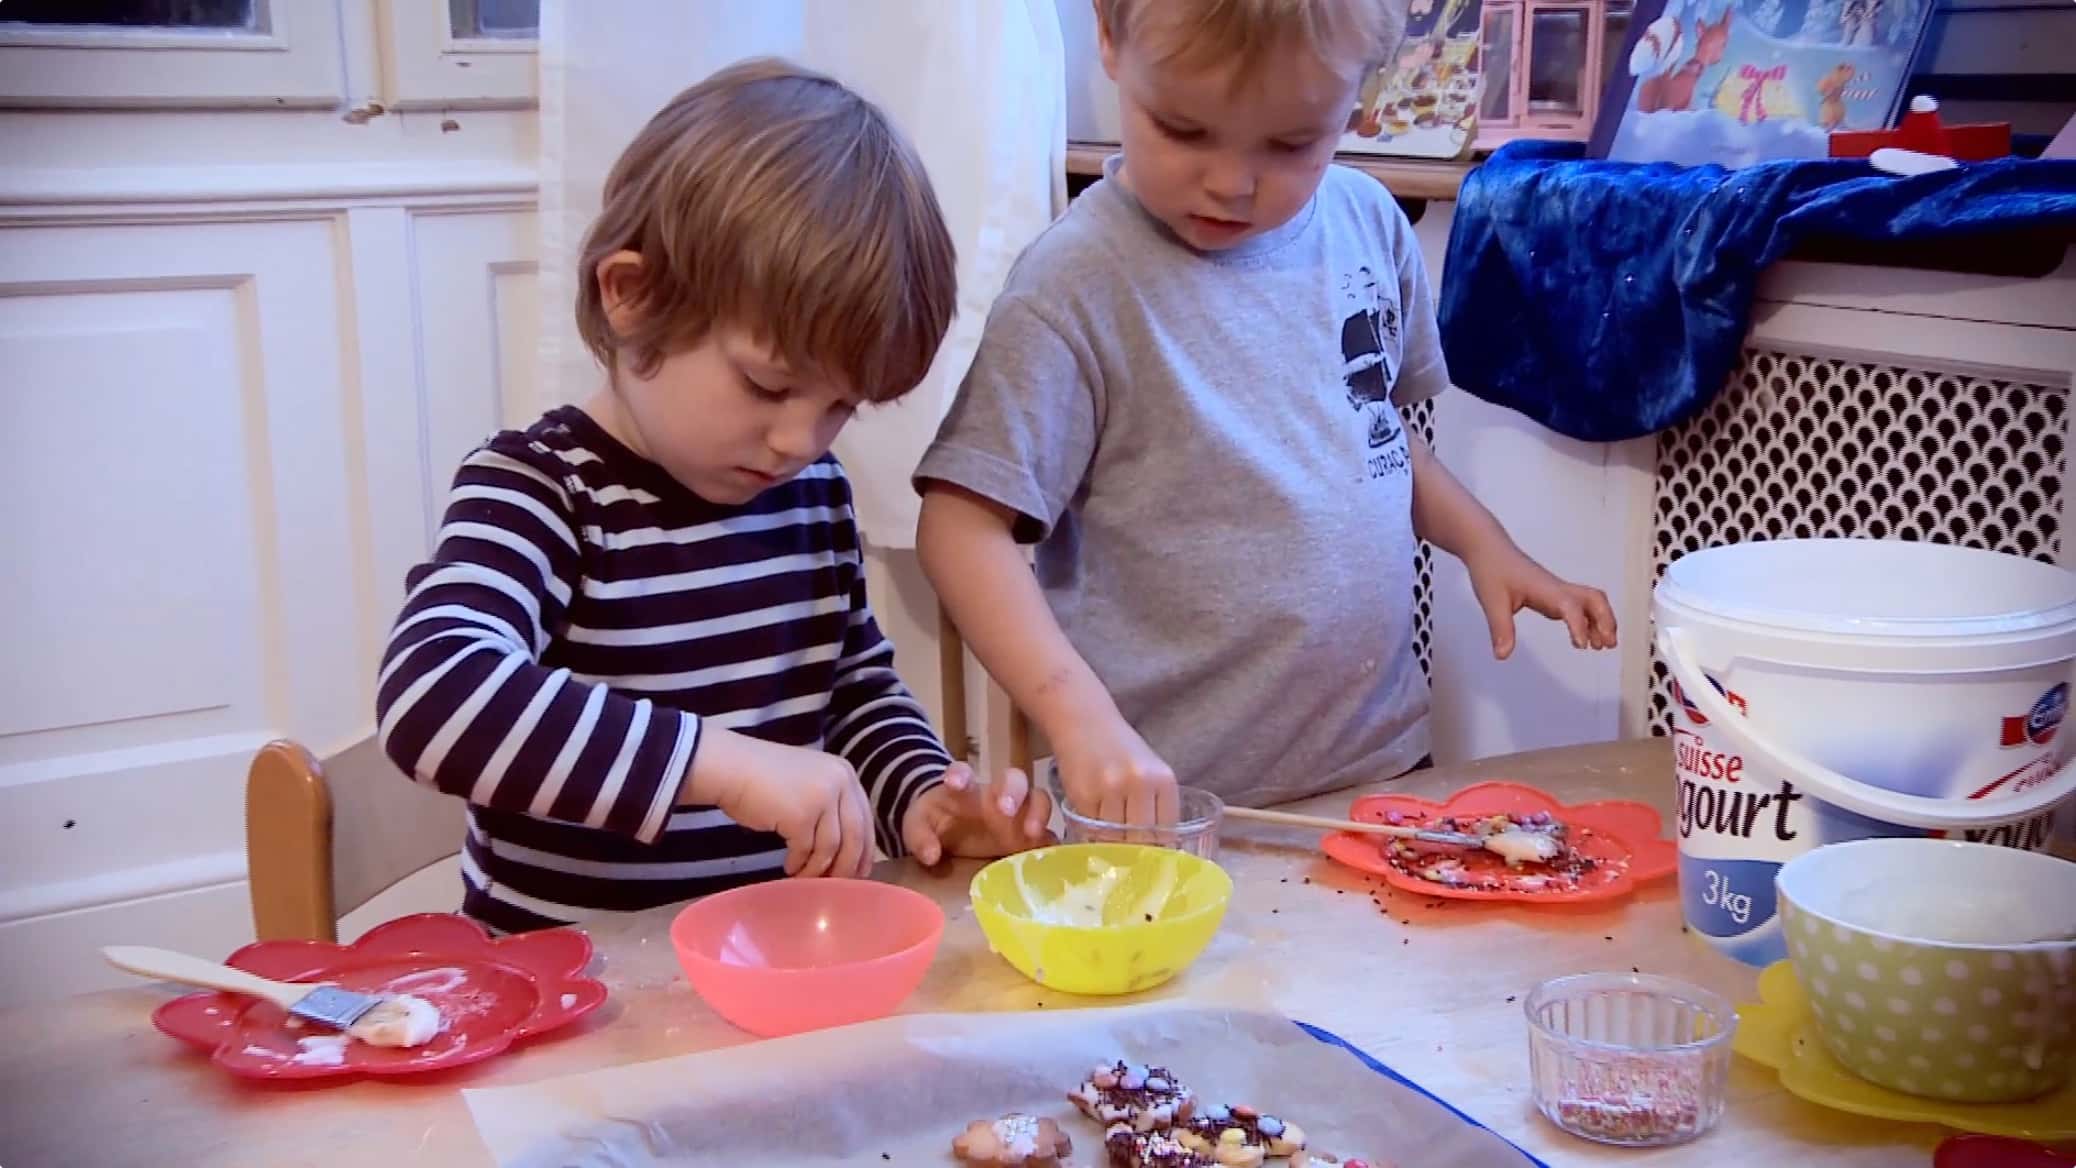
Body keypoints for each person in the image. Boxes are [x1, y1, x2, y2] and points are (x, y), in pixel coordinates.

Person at [377, 58, 1049, 934]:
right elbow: (436, 693)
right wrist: (719, 762)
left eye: (839, 406)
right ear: (631, 296)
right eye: (768, 387)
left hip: (763, 985)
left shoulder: (809, 494)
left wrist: (921, 798)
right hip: (581, 1014)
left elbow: (847, 693)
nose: (799, 441)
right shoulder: (540, 490)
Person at [915, 0, 1617, 827]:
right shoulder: (1073, 287)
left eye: (1291, 144)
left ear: (1360, 92)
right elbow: (959, 529)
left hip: (1380, 771)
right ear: (1108, 36)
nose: (1233, 182)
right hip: (1168, 813)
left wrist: (1485, 545)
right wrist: (1080, 718)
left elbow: (1373, 436)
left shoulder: (1369, 226)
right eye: (1184, 129)